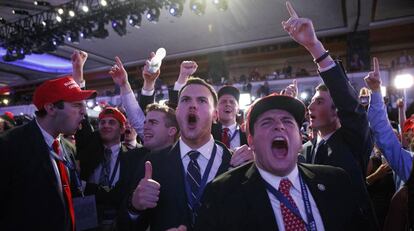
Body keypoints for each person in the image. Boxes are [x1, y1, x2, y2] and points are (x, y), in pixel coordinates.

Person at [195, 91, 364, 231]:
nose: (279, 126)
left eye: (287, 121)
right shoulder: (222, 194)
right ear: (251, 141)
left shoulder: (336, 181)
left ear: (300, 139)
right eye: (267, 122)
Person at [288, 2, 377, 228]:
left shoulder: (352, 140)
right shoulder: (305, 149)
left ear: (337, 111)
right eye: (311, 101)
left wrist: (314, 47)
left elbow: (349, 103)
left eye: (318, 102)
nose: (310, 107)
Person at [127, 77, 233, 231]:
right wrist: (135, 207)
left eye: (202, 100)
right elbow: (126, 224)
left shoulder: (234, 163)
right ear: (177, 112)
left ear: (215, 115)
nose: (192, 106)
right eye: (185, 100)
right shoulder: (152, 163)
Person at [0, 76, 96, 231]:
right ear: (51, 108)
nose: (84, 112)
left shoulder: (67, 147)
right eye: (77, 105)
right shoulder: (9, 146)